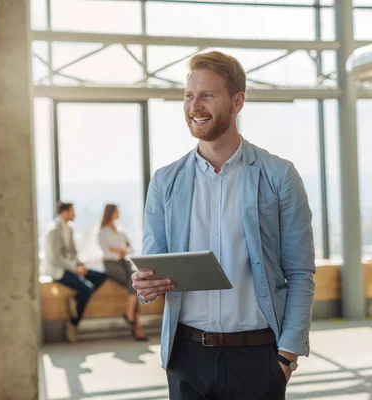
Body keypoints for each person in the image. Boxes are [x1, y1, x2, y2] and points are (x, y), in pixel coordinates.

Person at [131, 51, 316, 400]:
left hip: (259, 357)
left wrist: (286, 357)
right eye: (188, 95)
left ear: (237, 101)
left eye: (207, 95)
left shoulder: (279, 176)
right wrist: (145, 285)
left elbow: (301, 272)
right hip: (187, 356)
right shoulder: (165, 182)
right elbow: (154, 269)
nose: (194, 106)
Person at [45, 202, 107, 343]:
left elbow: (74, 252)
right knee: (87, 288)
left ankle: (76, 300)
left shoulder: (70, 229)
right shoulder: (53, 230)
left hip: (72, 266)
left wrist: (80, 264)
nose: (75, 214)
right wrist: (75, 269)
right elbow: (56, 258)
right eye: (72, 211)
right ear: (64, 213)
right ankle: (73, 323)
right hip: (59, 270)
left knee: (101, 276)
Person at [98, 204, 147, 341]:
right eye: (116, 211)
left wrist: (119, 251)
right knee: (133, 285)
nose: (118, 213)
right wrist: (119, 252)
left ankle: (130, 314)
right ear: (111, 213)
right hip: (111, 264)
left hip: (124, 262)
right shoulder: (102, 232)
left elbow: (130, 249)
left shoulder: (121, 231)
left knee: (135, 281)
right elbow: (107, 253)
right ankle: (135, 324)